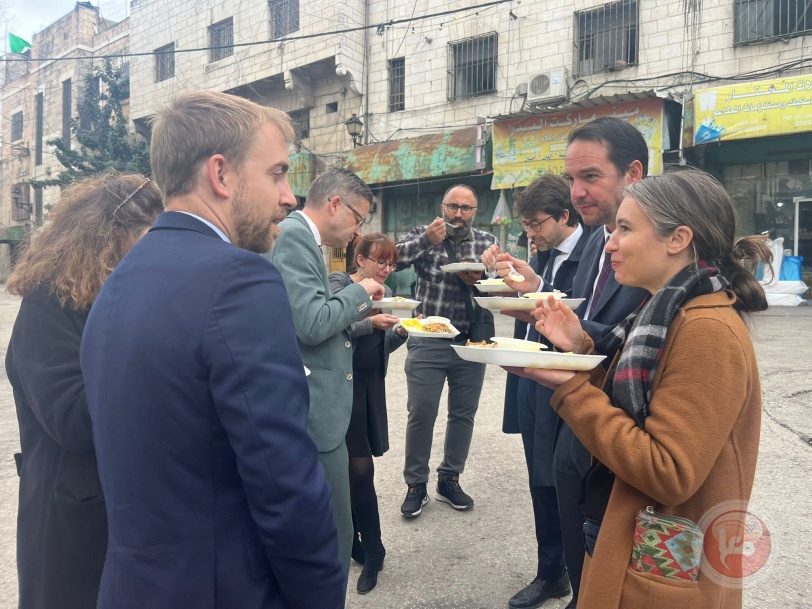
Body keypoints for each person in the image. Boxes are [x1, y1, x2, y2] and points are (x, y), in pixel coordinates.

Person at [80, 91, 345, 609]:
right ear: (221, 175)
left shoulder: (119, 281)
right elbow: (284, 480)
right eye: (277, 174)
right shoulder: (240, 281)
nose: (289, 197)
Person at [522, 169, 769, 609]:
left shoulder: (705, 329)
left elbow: (668, 471)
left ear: (677, 239)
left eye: (625, 228)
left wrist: (574, 389)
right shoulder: (665, 311)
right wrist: (583, 349)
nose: (610, 242)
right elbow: (640, 404)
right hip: (629, 530)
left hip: (662, 564)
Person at [491, 117, 650, 607]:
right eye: (572, 178)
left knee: (603, 541)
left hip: (613, 425)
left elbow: (629, 339)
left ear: (633, 174)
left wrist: (572, 340)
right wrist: (538, 295)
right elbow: (584, 321)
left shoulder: (645, 251)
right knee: (561, 502)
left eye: (591, 177)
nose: (578, 192)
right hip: (567, 402)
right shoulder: (602, 244)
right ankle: (562, 579)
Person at [5, 172, 162, 609]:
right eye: (150, 238)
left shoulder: (120, 293)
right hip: (72, 519)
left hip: (126, 511)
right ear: (111, 236)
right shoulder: (49, 303)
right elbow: (74, 420)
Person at [268, 167, 385, 577]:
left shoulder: (302, 238)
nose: (356, 232)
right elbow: (313, 323)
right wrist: (361, 292)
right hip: (316, 410)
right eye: (357, 217)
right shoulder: (297, 236)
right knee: (333, 534)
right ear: (334, 203)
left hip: (318, 405)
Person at [482, 173, 590, 609]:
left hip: (572, 385)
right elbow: (535, 309)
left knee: (575, 485)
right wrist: (503, 281)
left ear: (565, 216)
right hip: (534, 380)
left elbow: (584, 323)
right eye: (525, 224)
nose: (530, 232)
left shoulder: (597, 253)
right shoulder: (540, 256)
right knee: (540, 481)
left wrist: (537, 294)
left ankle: (585, 583)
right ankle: (552, 573)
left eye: (536, 223)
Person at [396, 184, 497, 517]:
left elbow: (501, 285)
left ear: (474, 212)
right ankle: (416, 485)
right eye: (452, 206)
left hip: (471, 340)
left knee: (463, 414)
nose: (458, 214)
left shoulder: (487, 242)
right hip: (429, 338)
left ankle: (449, 479)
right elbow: (394, 260)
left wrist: (487, 273)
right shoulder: (425, 235)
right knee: (422, 412)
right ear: (442, 208)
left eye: (465, 208)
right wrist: (427, 239)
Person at [328, 233, 407, 594]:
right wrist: (370, 323)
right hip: (341, 388)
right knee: (354, 470)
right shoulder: (340, 284)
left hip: (367, 387)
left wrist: (402, 332)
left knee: (357, 470)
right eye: (380, 261)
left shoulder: (381, 293)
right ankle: (369, 548)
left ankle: (368, 548)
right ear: (359, 259)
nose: (387, 269)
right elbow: (327, 328)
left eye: (391, 263)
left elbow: (378, 348)